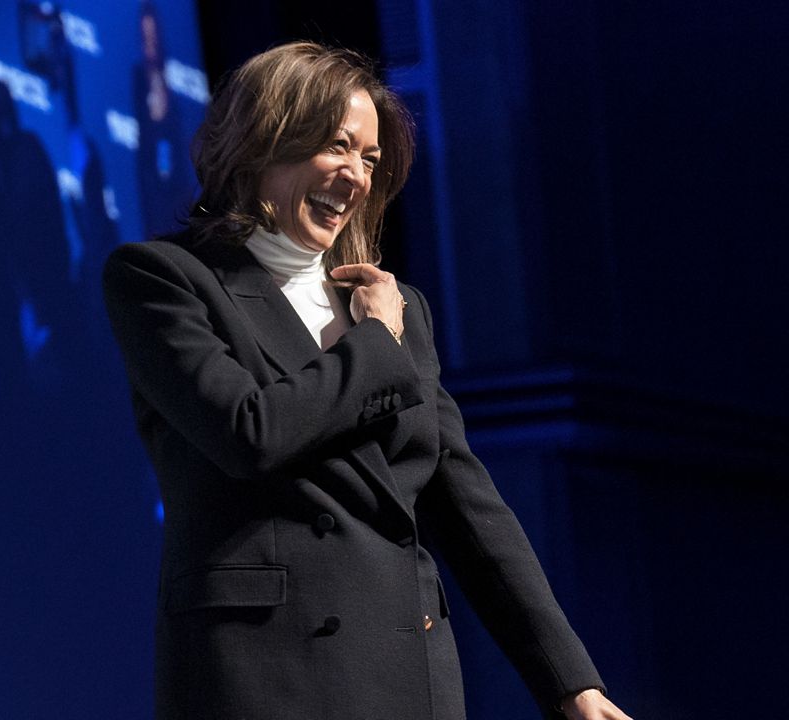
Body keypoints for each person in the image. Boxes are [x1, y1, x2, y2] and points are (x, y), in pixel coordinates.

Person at [103, 42, 632, 720]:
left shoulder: (396, 304)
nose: (356, 176)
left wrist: (571, 684)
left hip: (407, 670)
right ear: (265, 139)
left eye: (371, 159)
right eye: (337, 147)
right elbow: (249, 434)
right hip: (264, 675)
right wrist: (377, 343)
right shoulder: (164, 279)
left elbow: (466, 505)